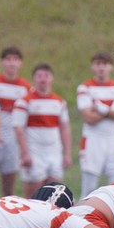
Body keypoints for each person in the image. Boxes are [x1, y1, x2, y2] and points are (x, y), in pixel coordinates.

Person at [77, 51, 114, 199]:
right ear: (93, 67)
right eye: (98, 64)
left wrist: (101, 108)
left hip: (113, 141)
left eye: (105, 64)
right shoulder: (85, 88)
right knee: (89, 188)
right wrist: (113, 110)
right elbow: (89, 117)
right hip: (93, 141)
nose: (101, 68)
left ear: (111, 67)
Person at [12, 63, 71, 198]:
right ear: (34, 79)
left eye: (46, 76)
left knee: (54, 194)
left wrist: (67, 154)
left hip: (54, 152)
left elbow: (65, 129)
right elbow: (18, 129)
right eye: (39, 76)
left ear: (52, 79)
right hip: (34, 153)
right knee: (32, 196)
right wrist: (25, 153)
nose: (43, 79)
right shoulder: (24, 101)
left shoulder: (59, 102)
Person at [0, 46, 31, 196]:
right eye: (8, 59)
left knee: (8, 184)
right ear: (2, 62)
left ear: (20, 63)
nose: (12, 63)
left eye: (15, 60)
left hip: (13, 140)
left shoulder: (26, 87)